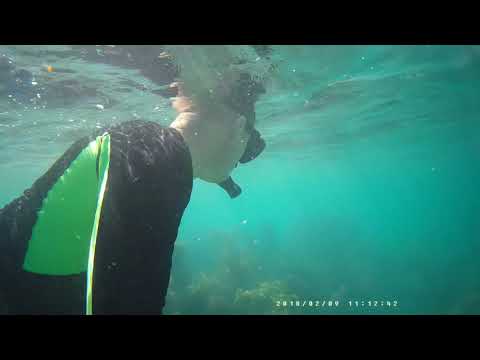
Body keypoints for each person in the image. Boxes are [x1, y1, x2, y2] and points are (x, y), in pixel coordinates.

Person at [0, 67, 266, 314]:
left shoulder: (148, 144)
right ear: (240, 127)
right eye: (246, 154)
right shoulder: (163, 159)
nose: (236, 165)